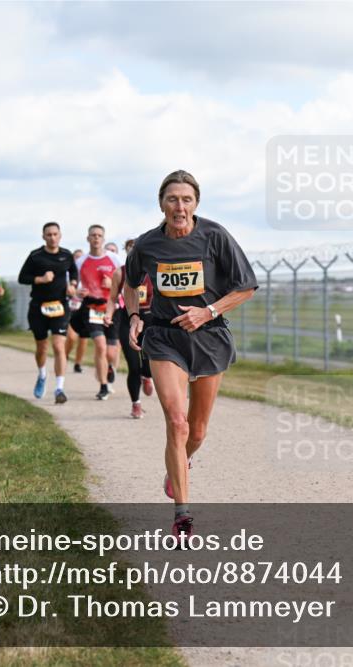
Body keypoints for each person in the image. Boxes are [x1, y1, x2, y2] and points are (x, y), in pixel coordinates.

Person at [121, 170, 257, 540]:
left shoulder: (215, 236)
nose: (179, 207)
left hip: (208, 335)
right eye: (172, 199)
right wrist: (134, 315)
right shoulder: (148, 245)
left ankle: (178, 463)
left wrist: (207, 311)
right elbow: (129, 284)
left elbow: (246, 287)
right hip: (165, 337)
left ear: (196, 204)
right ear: (161, 203)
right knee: (177, 423)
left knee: (196, 431)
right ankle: (182, 515)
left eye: (186, 200)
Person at [18, 222, 78, 404]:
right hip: (38, 307)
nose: (52, 237)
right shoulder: (36, 256)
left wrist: (73, 286)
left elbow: (74, 273)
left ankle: (59, 388)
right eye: (49, 234)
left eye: (55, 234)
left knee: (59, 345)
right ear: (43, 237)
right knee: (42, 347)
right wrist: (40, 279)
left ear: (60, 235)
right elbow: (23, 278)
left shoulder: (66, 255)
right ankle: (42, 374)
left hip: (60, 306)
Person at [71, 225, 122, 400]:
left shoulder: (114, 259)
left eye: (99, 235)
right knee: (100, 346)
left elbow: (126, 281)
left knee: (111, 351)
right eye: (93, 235)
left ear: (104, 239)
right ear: (88, 238)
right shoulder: (80, 261)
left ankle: (110, 368)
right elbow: (73, 283)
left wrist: (113, 285)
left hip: (111, 307)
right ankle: (103, 386)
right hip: (91, 307)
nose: (96, 238)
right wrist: (77, 292)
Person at [109, 238, 154, 419]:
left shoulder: (153, 270)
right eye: (130, 249)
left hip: (150, 318)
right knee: (133, 366)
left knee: (149, 362)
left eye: (137, 248)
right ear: (126, 252)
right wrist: (107, 314)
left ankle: (147, 375)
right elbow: (112, 299)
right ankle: (136, 404)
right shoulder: (120, 273)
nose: (134, 251)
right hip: (127, 318)